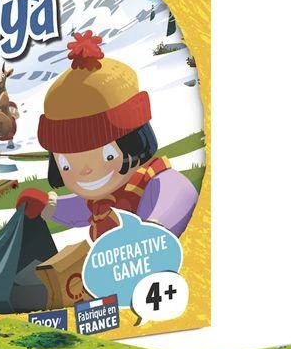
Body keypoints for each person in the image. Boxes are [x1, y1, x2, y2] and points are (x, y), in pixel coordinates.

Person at [15, 31, 197, 240]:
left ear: (135, 141)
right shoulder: (102, 197)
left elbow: (181, 196)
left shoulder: (156, 182)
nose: (85, 171)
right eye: (66, 165)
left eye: (108, 155)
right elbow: (80, 208)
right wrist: (48, 206)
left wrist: (153, 230)